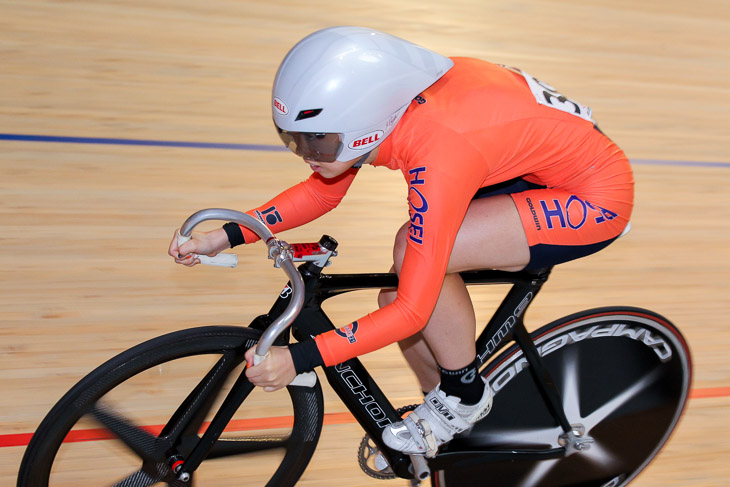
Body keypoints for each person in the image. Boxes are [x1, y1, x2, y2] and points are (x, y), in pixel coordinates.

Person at [168, 26, 633, 458]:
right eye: (293, 141)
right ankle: (449, 422)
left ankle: (465, 397)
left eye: (319, 143)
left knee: (413, 258)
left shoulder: (439, 153)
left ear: (364, 125)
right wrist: (225, 235)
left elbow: (412, 307)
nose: (309, 155)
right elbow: (321, 190)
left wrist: (302, 357)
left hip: (593, 196)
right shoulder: (384, 106)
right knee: (401, 293)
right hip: (524, 164)